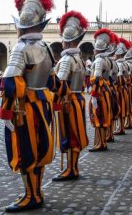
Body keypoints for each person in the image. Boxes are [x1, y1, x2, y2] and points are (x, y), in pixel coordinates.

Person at [0, 0, 55, 212]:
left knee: (24, 150)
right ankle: (38, 191)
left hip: (25, 109)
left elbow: (10, 84)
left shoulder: (21, 48)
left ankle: (31, 195)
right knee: (40, 149)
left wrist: (6, 112)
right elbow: (52, 82)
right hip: (44, 105)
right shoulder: (47, 47)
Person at [51, 11, 89, 181]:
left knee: (70, 135)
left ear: (67, 40)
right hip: (77, 99)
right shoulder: (79, 58)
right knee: (75, 134)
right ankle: (72, 167)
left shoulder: (67, 60)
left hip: (68, 101)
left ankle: (71, 169)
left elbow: (60, 84)